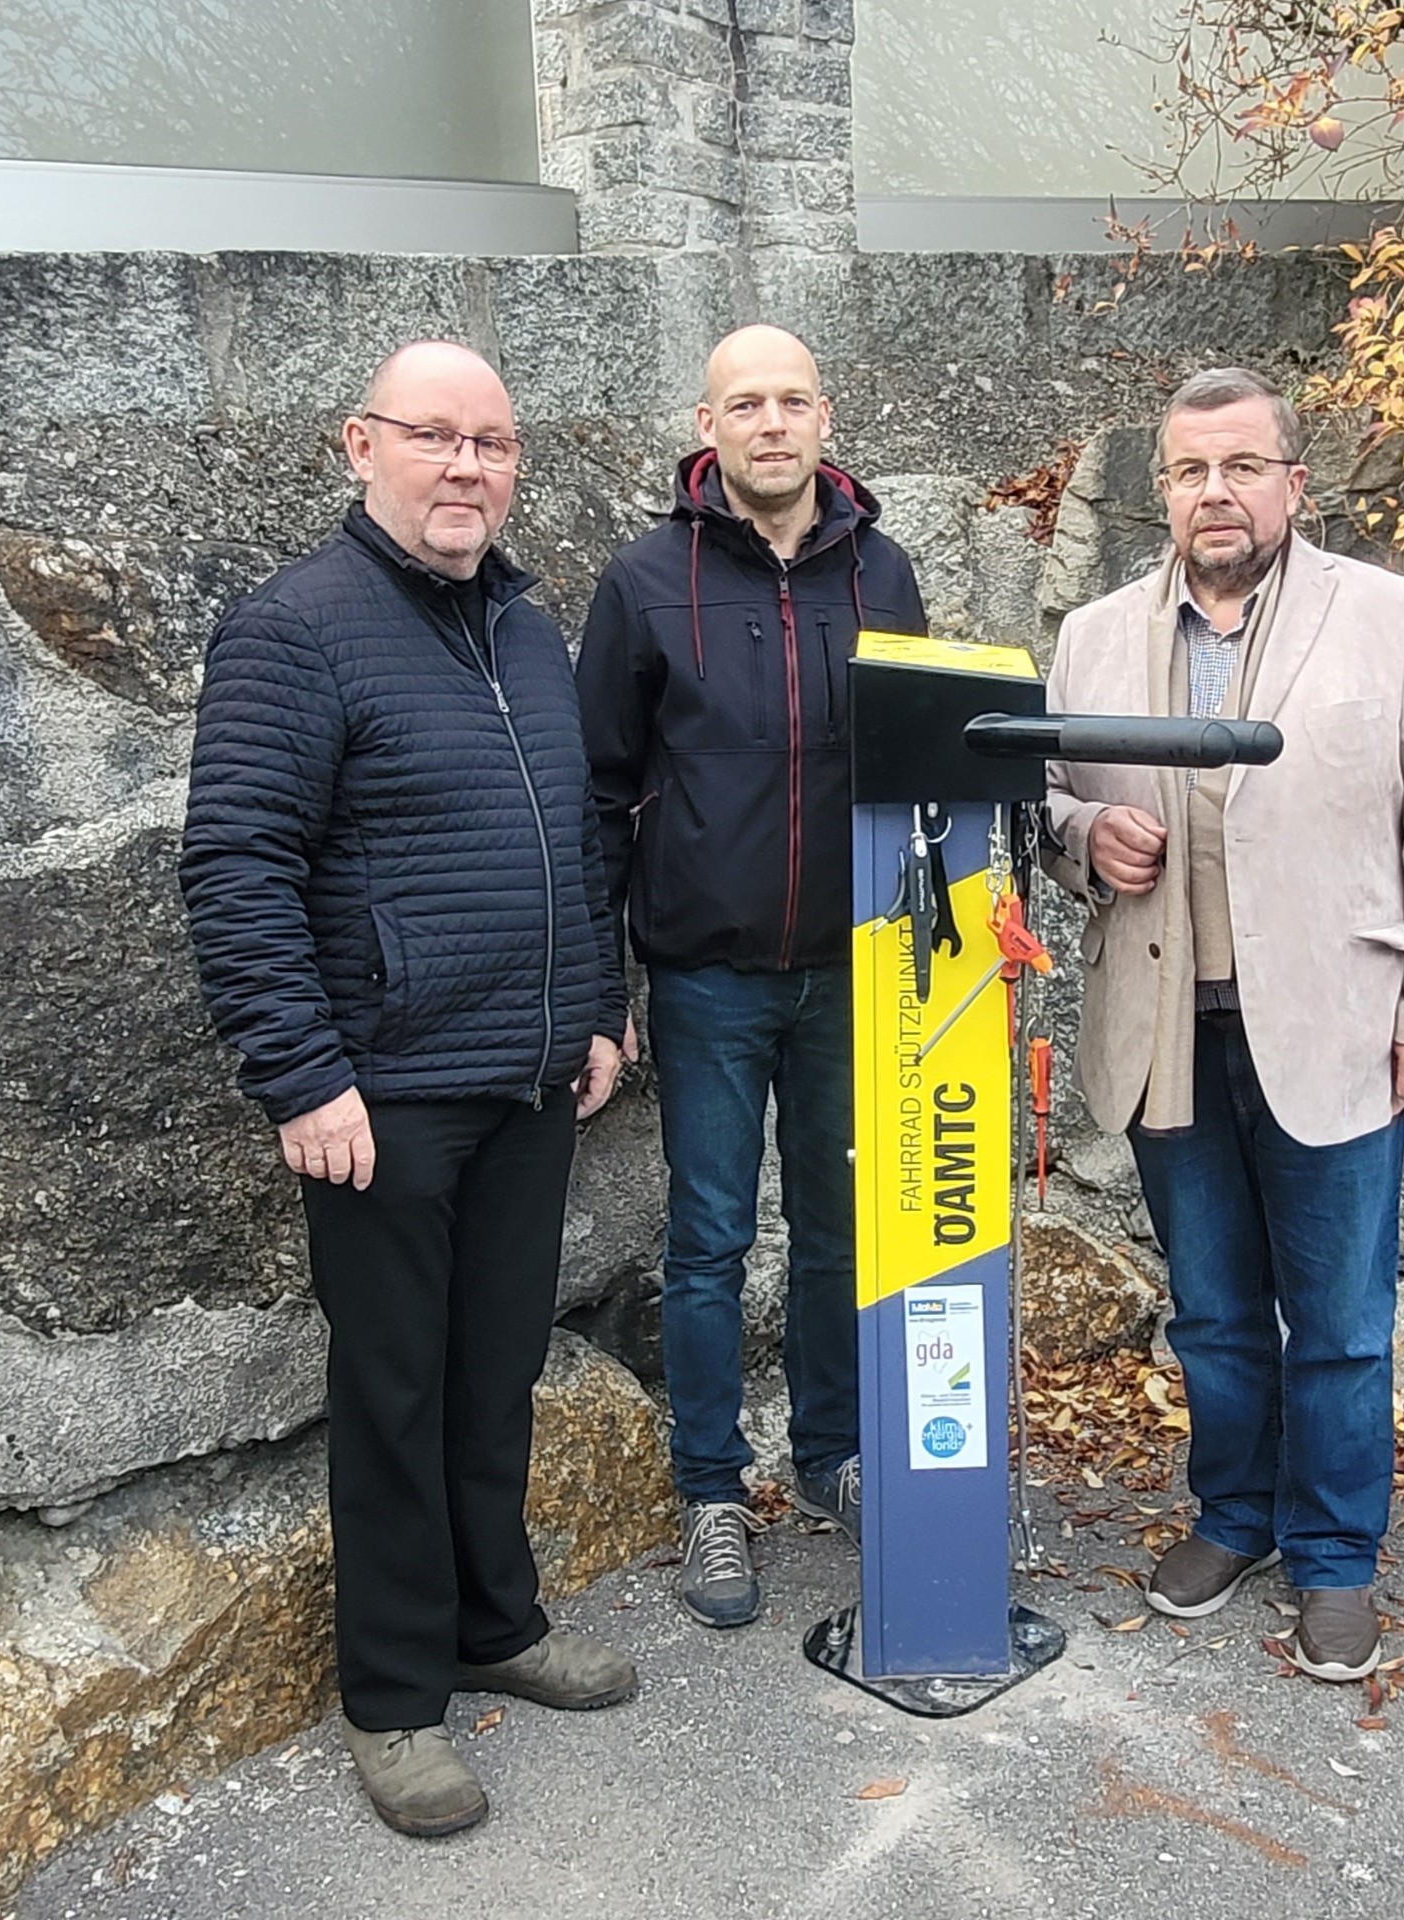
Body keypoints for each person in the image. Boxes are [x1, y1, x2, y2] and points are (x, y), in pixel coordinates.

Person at [181, 340, 635, 1837]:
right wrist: (304, 1077)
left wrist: (595, 1015)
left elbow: (572, 836)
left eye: (491, 442)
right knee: (391, 1396)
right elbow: (236, 866)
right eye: (433, 437)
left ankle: (493, 1621)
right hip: (379, 1100)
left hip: (526, 1084)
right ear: (356, 446)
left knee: (495, 1372)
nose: (466, 467)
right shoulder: (293, 630)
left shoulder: (521, 625)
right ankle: (392, 1700)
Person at [1042, 366, 1404, 1683]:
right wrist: (1083, 837)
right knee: (1217, 1314)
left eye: (1243, 466)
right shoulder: (1094, 636)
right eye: (1191, 471)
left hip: (1341, 1025)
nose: (1216, 492)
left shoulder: (1391, 618)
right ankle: (1235, 1516)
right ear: (1163, 493)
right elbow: (1051, 791)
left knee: (1341, 1322)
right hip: (1170, 1023)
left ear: (1294, 482)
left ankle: (1337, 1556)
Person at [576, 324, 927, 1628]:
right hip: (708, 977)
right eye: (746, 403)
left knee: (844, 1233)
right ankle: (711, 1492)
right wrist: (602, 982)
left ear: (823, 417)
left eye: (791, 400)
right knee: (710, 1242)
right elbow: (600, 792)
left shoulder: (881, 575)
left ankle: (831, 1457)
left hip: (848, 973)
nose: (771, 422)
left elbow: (919, 769)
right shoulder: (644, 582)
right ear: (707, 424)